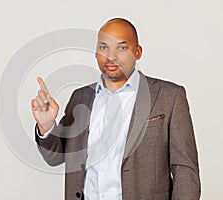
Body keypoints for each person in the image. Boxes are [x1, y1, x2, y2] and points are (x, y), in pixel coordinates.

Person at [31, 18, 201, 200]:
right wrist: (47, 126)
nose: (111, 56)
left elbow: (185, 169)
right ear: (96, 53)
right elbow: (55, 157)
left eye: (121, 47)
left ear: (137, 52)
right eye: (104, 47)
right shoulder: (80, 97)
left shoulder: (169, 97)